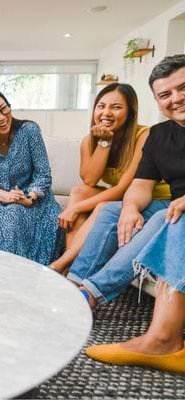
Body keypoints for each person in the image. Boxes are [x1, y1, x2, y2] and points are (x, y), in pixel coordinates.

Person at [69, 55, 185, 373]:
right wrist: (131, 207)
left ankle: (161, 339)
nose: (176, 99)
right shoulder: (160, 135)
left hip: (176, 210)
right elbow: (140, 185)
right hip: (173, 205)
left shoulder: (143, 133)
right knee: (112, 209)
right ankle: (76, 286)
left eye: (183, 88)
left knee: (166, 218)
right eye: (165, 94)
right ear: (157, 101)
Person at [50, 84, 170, 273]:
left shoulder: (144, 136)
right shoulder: (89, 141)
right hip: (125, 195)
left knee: (102, 206)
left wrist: (75, 208)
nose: (106, 113)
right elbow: (90, 180)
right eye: (101, 106)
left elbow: (123, 188)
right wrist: (105, 142)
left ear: (130, 113)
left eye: (116, 107)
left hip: (151, 198)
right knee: (79, 191)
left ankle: (62, 264)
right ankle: (71, 263)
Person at [0, 89, 62, 265]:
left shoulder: (29, 131)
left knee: (14, 212)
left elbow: (43, 175)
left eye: (4, 109)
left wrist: (29, 198)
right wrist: (4, 195)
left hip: (31, 196)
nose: (2, 117)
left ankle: (14, 268)